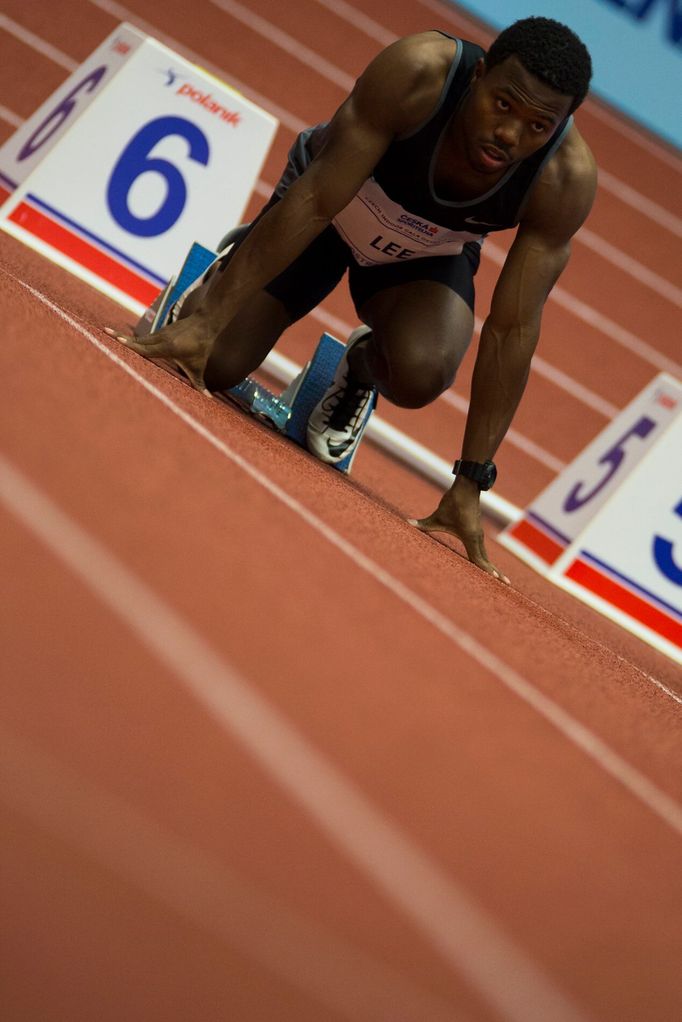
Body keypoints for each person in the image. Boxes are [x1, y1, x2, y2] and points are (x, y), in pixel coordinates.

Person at [107, 16, 596, 583]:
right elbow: (316, 197)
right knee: (213, 364)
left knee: (423, 369)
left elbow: (512, 329)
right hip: (330, 207)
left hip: (422, 256)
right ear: (478, 76)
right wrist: (209, 323)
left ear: (561, 126)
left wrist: (470, 480)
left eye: (538, 125)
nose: (510, 137)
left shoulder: (563, 178)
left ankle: (359, 365)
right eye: (503, 106)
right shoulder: (418, 72)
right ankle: (220, 282)